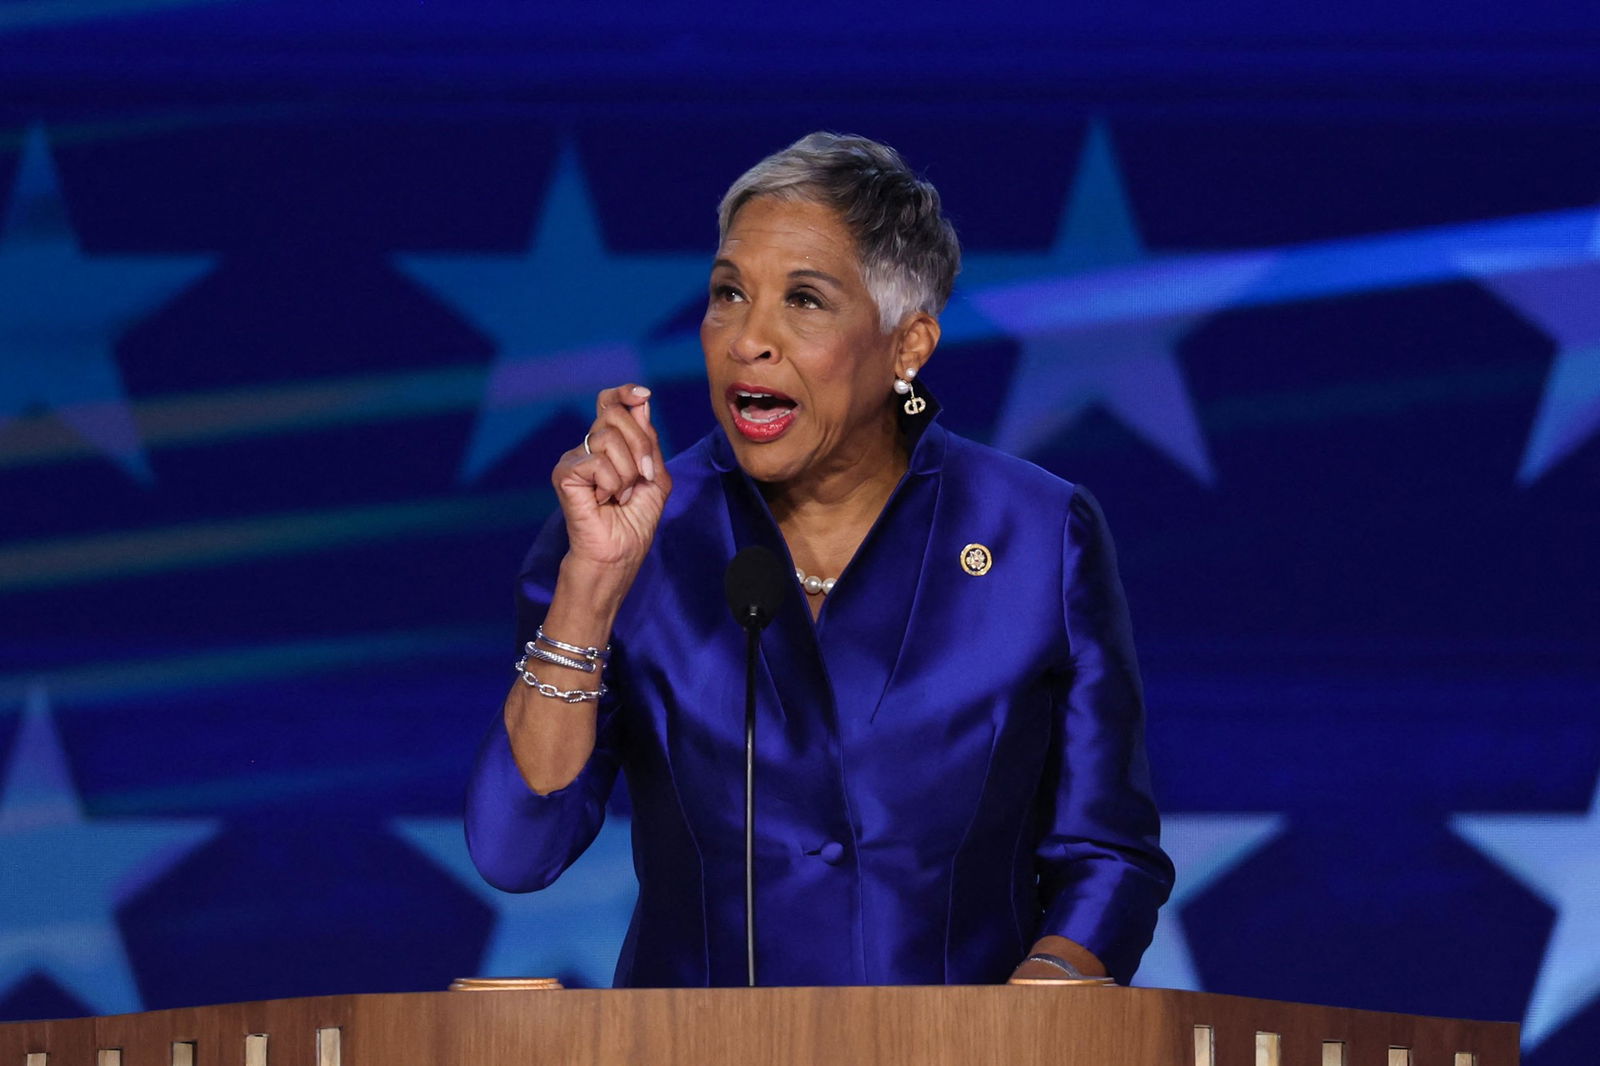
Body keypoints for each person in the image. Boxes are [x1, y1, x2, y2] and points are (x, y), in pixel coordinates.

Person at [465, 132, 1173, 987]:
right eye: (728, 293)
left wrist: (1045, 998)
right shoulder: (629, 532)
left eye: (804, 300)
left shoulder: (1037, 532)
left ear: (907, 346)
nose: (746, 340)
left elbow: (1108, 851)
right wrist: (589, 590)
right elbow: (516, 850)